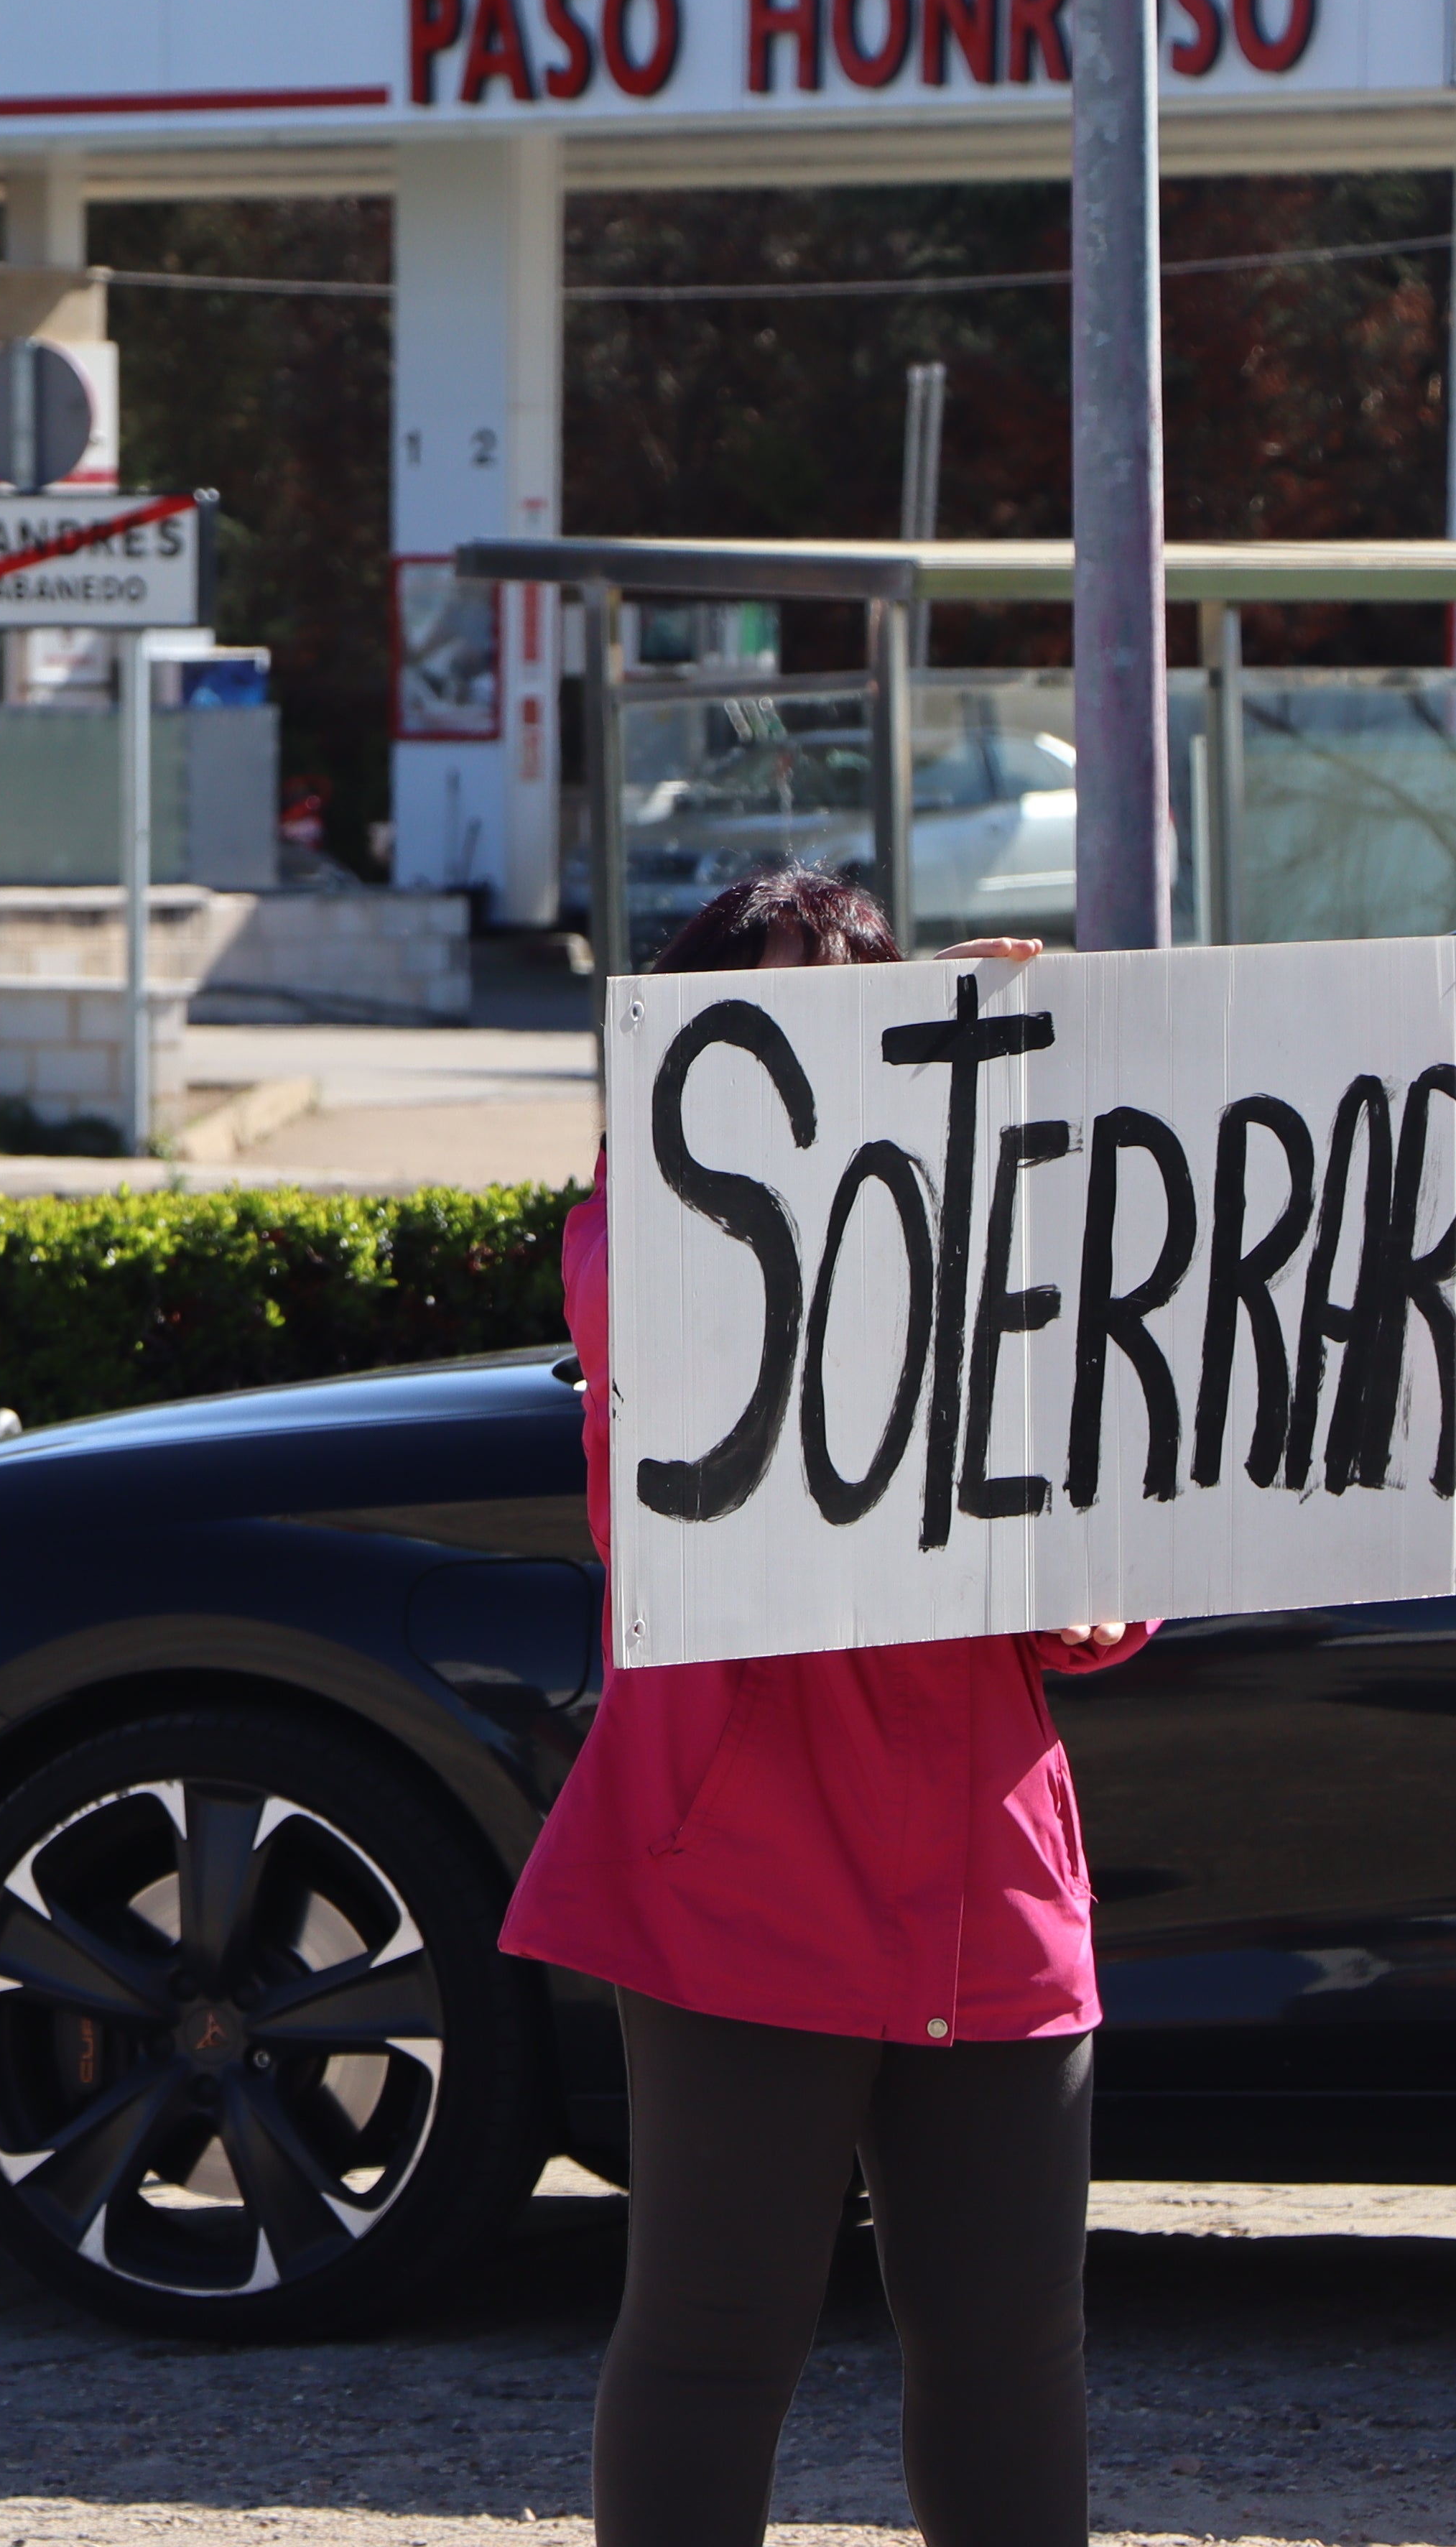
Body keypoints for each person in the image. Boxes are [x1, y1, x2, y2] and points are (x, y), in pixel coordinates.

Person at [500, 862, 1147, 2547]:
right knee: (718, 2343)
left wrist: (1095, 1606)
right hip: (743, 1883)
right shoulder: (641, 1228)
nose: (817, 1037)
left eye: (853, 1003)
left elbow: (1109, 1519)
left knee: (1016, 2357)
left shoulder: (1016, 1222)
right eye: (767, 1003)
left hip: (995, 1898)